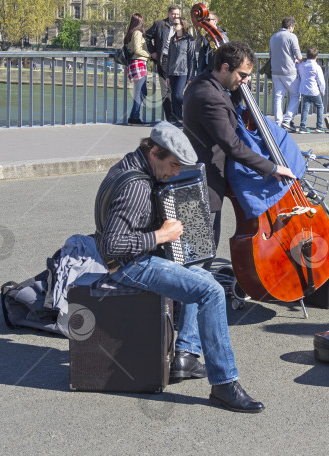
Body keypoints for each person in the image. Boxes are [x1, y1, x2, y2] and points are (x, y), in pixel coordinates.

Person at [94, 121, 264, 412]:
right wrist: (162, 236)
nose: (175, 173)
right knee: (210, 290)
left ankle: (186, 354)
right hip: (128, 265)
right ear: (155, 151)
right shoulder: (136, 186)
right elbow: (112, 245)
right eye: (172, 165)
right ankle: (224, 384)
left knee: (198, 271)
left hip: (138, 257)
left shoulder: (128, 163)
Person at [182, 40, 295, 264]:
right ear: (225, 67)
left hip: (208, 178)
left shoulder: (211, 84)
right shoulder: (209, 96)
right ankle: (193, 297)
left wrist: (241, 87)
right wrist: (272, 167)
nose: (246, 81)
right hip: (202, 182)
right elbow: (232, 145)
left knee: (203, 250)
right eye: (242, 75)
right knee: (200, 252)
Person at [146, 5, 180, 122]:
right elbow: (147, 36)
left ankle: (177, 116)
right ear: (168, 14)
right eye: (173, 14)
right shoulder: (159, 24)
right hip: (164, 59)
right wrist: (153, 51)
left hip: (177, 61)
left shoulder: (181, 25)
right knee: (166, 89)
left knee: (176, 90)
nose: (175, 16)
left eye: (177, 14)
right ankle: (170, 117)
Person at [269, 17, 302, 130]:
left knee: (279, 96)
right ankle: (287, 119)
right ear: (290, 27)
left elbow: (270, 54)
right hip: (288, 71)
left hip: (275, 71)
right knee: (296, 94)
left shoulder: (274, 36)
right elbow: (298, 55)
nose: (293, 29)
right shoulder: (291, 36)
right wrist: (300, 60)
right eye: (293, 27)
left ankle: (278, 122)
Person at [165, 17, 196, 124]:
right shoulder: (173, 39)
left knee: (178, 95)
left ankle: (193, 107)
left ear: (182, 25)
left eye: (176, 24)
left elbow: (192, 58)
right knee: (174, 96)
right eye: (173, 24)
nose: (173, 26)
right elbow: (169, 57)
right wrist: (167, 75)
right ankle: (179, 119)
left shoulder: (189, 39)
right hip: (172, 72)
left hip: (183, 71)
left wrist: (191, 76)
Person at [123, 12, 150, 125]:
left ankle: (133, 117)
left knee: (141, 92)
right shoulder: (137, 33)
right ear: (140, 22)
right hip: (139, 63)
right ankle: (134, 118)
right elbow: (137, 50)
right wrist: (149, 54)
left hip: (134, 64)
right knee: (140, 93)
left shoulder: (130, 33)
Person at [297, 47, 326, 134]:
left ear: (306, 56)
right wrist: (322, 91)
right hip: (314, 91)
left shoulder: (301, 66)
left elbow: (297, 66)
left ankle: (302, 127)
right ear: (316, 57)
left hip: (304, 90)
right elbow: (321, 81)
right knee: (320, 107)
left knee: (305, 108)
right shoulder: (317, 67)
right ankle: (319, 126)